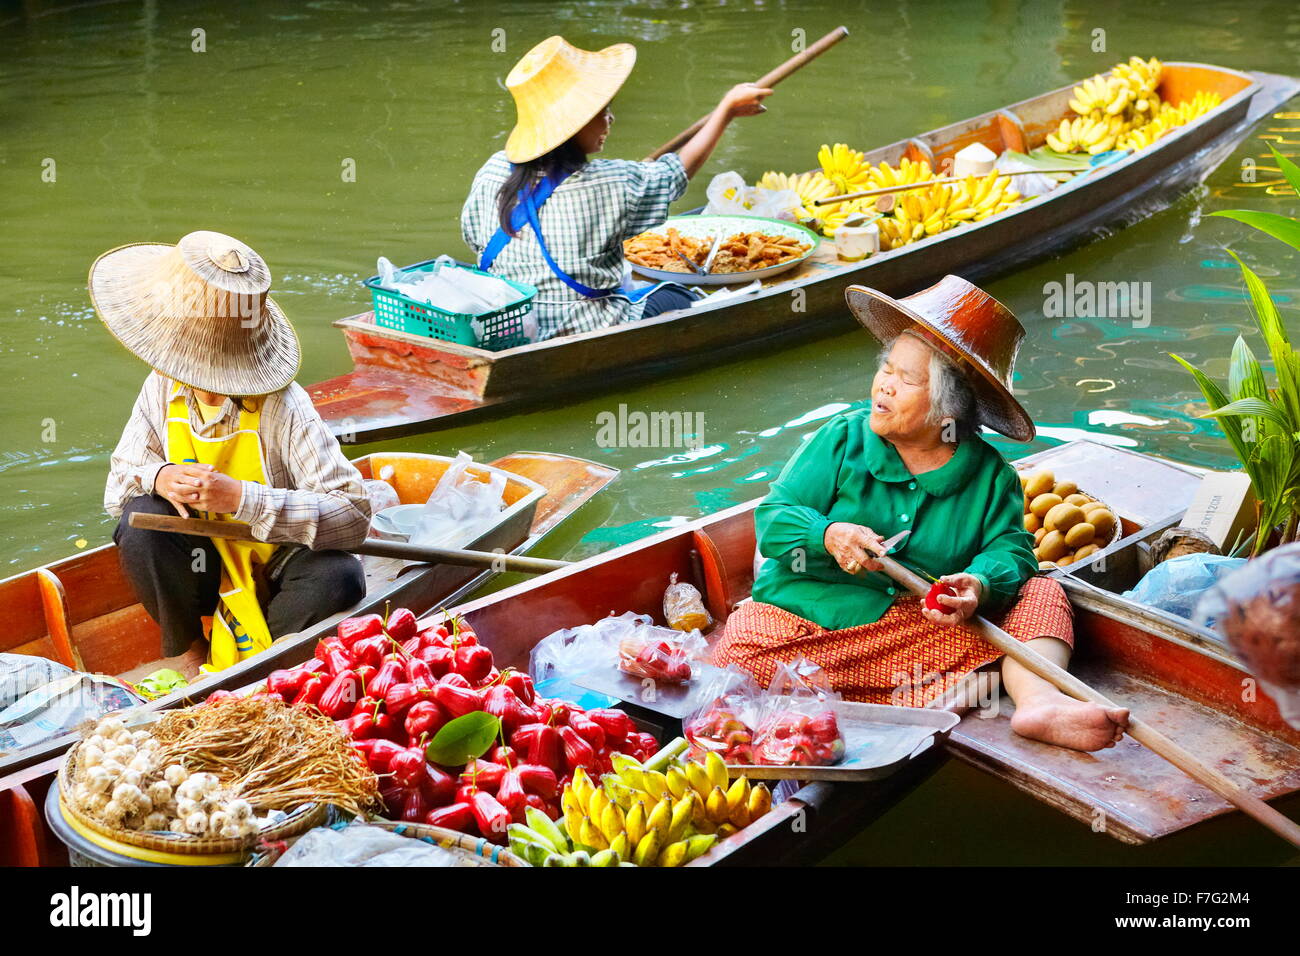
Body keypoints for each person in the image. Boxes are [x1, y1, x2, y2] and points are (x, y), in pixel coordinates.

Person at [712, 275, 1131, 752]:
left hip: (913, 627)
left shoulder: (991, 475)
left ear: (947, 409)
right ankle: (953, 692)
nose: (883, 386)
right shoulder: (842, 438)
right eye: (886, 369)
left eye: (905, 379)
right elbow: (774, 518)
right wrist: (827, 535)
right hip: (809, 624)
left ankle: (1037, 702)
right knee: (743, 648)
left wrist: (977, 585)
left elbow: (1013, 552)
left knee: (1041, 593)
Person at [94, 230, 371, 672]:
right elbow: (118, 486)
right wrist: (160, 475)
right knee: (139, 521)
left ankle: (263, 661)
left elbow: (353, 517)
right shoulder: (162, 385)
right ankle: (190, 654)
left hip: (278, 559)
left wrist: (241, 498)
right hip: (203, 560)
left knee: (339, 576)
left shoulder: (284, 405)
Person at [461, 35, 771, 341]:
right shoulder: (608, 182)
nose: (610, 118)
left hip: (510, 320)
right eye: (601, 111)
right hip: (581, 324)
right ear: (574, 124)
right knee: (678, 296)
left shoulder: (494, 168)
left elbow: (474, 238)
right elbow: (674, 175)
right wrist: (726, 111)